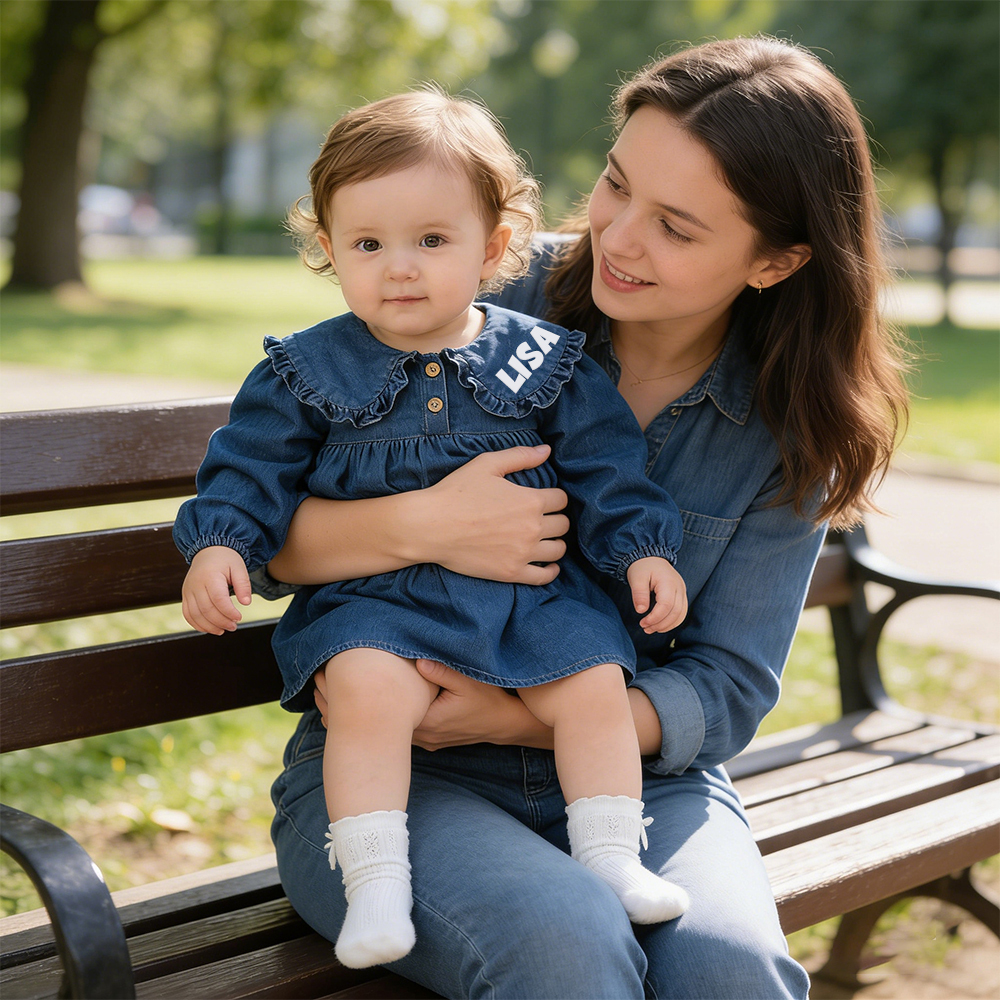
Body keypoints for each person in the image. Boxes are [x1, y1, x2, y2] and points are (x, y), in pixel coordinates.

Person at [261, 36, 909, 999]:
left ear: (775, 261)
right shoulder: (481, 287)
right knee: (566, 944)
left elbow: (728, 685)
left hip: (635, 780)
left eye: (677, 228)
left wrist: (526, 715)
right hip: (400, 774)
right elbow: (267, 532)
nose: (618, 236)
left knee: (731, 970)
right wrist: (428, 526)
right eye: (616, 185)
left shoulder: (791, 424)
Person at [174, 89, 695, 971]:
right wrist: (222, 543)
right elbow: (249, 469)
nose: (399, 269)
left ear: (494, 248)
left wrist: (644, 552)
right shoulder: (305, 369)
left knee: (597, 680)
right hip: (378, 608)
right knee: (367, 694)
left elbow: (610, 472)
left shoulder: (541, 359)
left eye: (431, 240)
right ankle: (377, 880)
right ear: (328, 249)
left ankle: (613, 856)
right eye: (367, 244)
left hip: (530, 603)